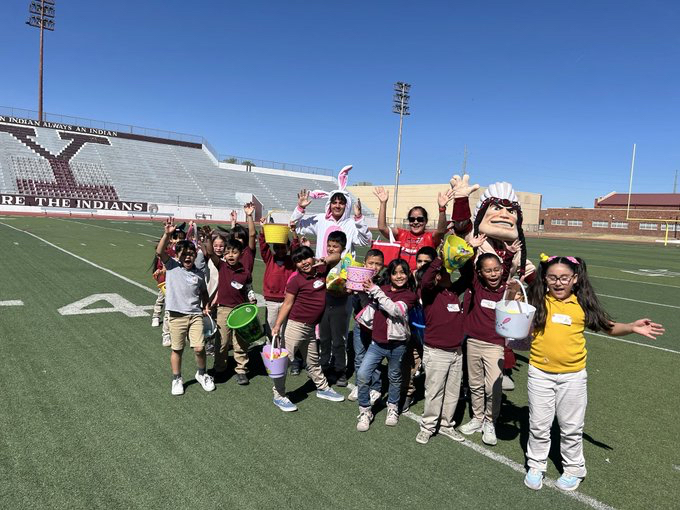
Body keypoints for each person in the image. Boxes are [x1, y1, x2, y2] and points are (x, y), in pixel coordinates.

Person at [523, 255, 664, 492]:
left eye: (564, 278)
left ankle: (574, 469)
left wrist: (631, 327)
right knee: (538, 425)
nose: (558, 283)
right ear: (545, 279)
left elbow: (608, 327)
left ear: (575, 279)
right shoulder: (537, 301)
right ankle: (536, 465)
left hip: (573, 376)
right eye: (553, 278)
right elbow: (521, 329)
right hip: (540, 373)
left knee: (571, 427)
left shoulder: (582, 304)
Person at [459, 242, 521, 446]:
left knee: (492, 388)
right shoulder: (476, 285)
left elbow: (511, 303)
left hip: (495, 345)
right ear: (481, 273)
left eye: (496, 269)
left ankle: (490, 421)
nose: (493, 274)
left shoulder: (506, 288)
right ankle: (477, 418)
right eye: (488, 271)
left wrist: (510, 255)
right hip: (473, 342)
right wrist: (473, 249)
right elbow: (467, 267)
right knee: (475, 385)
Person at [270, 246, 345, 412]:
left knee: (312, 361)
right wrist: (277, 325)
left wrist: (324, 260)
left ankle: (323, 388)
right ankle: (279, 395)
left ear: (313, 257)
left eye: (306, 258)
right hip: (295, 326)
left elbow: (338, 256)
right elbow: (287, 303)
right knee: (285, 361)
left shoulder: (321, 270)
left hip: (310, 326)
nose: (304, 263)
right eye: (298, 260)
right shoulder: (296, 280)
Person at [413, 255, 473, 444]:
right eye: (446, 272)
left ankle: (447, 424)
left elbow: (467, 277)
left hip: (456, 352)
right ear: (437, 277)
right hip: (437, 352)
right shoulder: (430, 294)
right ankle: (428, 426)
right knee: (435, 391)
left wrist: (467, 255)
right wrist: (440, 258)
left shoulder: (452, 292)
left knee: (453, 391)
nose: (450, 274)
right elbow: (425, 280)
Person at [355, 259, 418, 431]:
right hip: (377, 343)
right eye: (395, 272)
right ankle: (365, 410)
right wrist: (359, 289)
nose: (399, 276)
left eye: (403, 272)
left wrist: (375, 291)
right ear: (389, 275)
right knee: (362, 374)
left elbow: (395, 310)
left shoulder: (409, 295)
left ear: (408, 275)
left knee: (395, 377)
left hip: (397, 345)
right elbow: (368, 304)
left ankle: (392, 407)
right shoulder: (381, 290)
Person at [155, 219, 214, 396]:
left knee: (199, 348)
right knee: (177, 349)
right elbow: (159, 251)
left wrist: (207, 306)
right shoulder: (172, 266)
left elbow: (203, 292)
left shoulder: (199, 273)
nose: (188, 256)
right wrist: (167, 234)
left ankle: (202, 374)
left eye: (191, 254)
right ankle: (177, 378)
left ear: (195, 256)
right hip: (176, 315)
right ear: (177, 255)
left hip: (195, 315)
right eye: (184, 254)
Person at [206, 207, 256, 385]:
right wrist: (208, 238)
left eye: (234, 252)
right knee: (222, 340)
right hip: (224, 309)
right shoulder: (222, 266)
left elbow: (248, 287)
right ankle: (220, 367)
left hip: (241, 309)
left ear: (240, 253)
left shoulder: (244, 271)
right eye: (227, 252)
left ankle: (241, 369)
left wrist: (251, 297)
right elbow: (211, 253)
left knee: (240, 341)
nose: (230, 255)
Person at [290, 165, 372, 258]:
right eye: (334, 203)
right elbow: (294, 226)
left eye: (341, 203)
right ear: (329, 204)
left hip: (343, 271)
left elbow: (366, 241)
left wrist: (359, 219)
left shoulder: (351, 224)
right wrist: (300, 208)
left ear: (346, 206)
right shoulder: (320, 219)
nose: (337, 206)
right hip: (322, 269)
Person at [373, 187, 454, 270]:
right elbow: (382, 228)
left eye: (420, 219)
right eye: (412, 219)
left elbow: (441, 230)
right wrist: (383, 203)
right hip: (402, 279)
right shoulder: (401, 234)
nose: (415, 222)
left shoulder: (430, 237)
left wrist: (442, 209)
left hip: (422, 279)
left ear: (426, 221)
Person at [400, 246, 438, 412]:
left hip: (432, 332)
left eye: (426, 262)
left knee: (433, 367)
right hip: (413, 330)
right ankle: (408, 393)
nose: (422, 265)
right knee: (407, 361)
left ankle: (434, 399)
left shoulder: (438, 281)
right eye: (419, 261)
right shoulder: (409, 280)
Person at [348, 249, 385, 404]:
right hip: (360, 326)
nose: (374, 267)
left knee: (374, 359)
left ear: (383, 266)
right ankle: (360, 385)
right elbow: (355, 306)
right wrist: (353, 292)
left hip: (377, 328)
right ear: (365, 264)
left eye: (378, 264)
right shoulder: (358, 280)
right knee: (359, 356)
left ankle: (375, 387)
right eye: (371, 263)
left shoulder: (384, 282)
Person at [258, 218, 298, 342]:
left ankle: (283, 350)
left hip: (286, 300)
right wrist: (263, 229)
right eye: (278, 247)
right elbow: (263, 246)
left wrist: (293, 233)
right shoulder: (270, 258)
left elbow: (296, 249)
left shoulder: (291, 260)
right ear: (274, 247)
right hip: (271, 300)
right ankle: (271, 348)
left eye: (283, 247)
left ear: (288, 248)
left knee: (284, 328)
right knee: (271, 326)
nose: (280, 250)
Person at [319, 230, 351, 386]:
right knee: (324, 339)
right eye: (329, 245)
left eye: (335, 246)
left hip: (339, 306)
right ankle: (323, 366)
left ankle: (340, 371)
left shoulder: (345, 262)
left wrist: (345, 289)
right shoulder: (324, 262)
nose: (331, 249)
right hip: (325, 305)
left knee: (338, 341)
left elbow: (350, 284)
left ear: (343, 248)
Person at [151, 223, 186, 347]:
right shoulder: (168, 252)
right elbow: (164, 265)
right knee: (162, 302)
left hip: (180, 285)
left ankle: (178, 332)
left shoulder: (185, 252)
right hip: (166, 282)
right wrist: (160, 272)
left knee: (174, 310)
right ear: (171, 239)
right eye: (176, 238)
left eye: (181, 238)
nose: (178, 241)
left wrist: (193, 229)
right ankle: (163, 329)